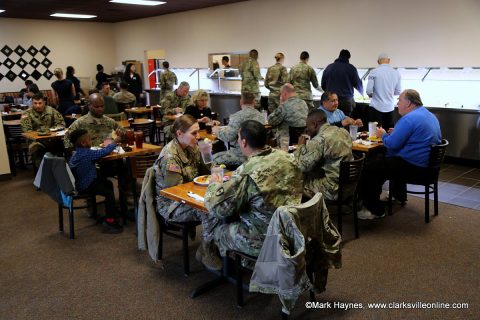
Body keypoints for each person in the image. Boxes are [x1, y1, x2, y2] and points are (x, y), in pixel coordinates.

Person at [198, 120, 304, 270]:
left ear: (243, 142)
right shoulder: (288, 158)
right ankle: (250, 264)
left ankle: (236, 267)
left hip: (265, 239)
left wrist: (214, 184)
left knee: (219, 230)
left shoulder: (246, 171)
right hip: (292, 229)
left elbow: (218, 208)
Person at [357, 89, 442, 219]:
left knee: (370, 167)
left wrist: (383, 134)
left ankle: (374, 210)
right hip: (428, 166)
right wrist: (397, 132)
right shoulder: (428, 115)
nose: (397, 103)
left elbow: (392, 144)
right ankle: (398, 195)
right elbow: (414, 136)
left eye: (399, 100)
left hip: (414, 168)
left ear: (408, 103)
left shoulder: (409, 119)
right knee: (387, 161)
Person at [153, 115, 217, 266]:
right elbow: (175, 192)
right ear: (179, 134)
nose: (198, 136)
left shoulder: (191, 147)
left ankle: (216, 246)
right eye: (194, 133)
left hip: (189, 196)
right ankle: (206, 251)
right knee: (211, 210)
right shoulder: (171, 157)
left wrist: (206, 153)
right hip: (171, 205)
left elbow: (205, 173)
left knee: (222, 204)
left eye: (198, 132)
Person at [68, 129, 123, 234]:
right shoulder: (86, 154)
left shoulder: (77, 153)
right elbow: (103, 152)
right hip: (86, 185)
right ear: (83, 143)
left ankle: (111, 212)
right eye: (89, 139)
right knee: (109, 193)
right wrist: (115, 142)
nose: (91, 141)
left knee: (108, 183)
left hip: (80, 183)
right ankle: (110, 222)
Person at [294, 109, 353, 200]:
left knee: (295, 182)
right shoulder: (343, 132)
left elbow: (302, 166)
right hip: (349, 185)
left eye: (307, 126)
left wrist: (300, 147)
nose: (307, 130)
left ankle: (307, 212)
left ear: (314, 124)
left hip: (331, 189)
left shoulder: (319, 140)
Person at [212, 92, 265, 167]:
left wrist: (216, 130)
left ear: (241, 102)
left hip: (240, 155)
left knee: (213, 158)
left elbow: (228, 137)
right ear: (254, 102)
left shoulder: (237, 116)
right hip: (258, 154)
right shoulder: (261, 116)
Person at [20, 92, 65, 167]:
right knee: (37, 149)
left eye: (40, 103)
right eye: (35, 103)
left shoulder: (52, 111)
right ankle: (42, 171)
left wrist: (53, 132)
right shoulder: (26, 113)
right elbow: (27, 131)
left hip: (52, 139)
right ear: (32, 103)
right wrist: (43, 134)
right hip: (35, 141)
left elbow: (61, 124)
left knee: (61, 145)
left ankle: (59, 168)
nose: (37, 105)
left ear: (44, 102)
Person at [321, 49, 363, 115]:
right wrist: (362, 94)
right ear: (348, 58)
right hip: (346, 101)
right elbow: (358, 85)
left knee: (331, 120)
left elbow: (323, 85)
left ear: (339, 56)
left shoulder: (329, 67)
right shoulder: (351, 68)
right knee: (345, 121)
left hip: (331, 100)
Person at [366, 53, 402, 130]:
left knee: (374, 134)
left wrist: (372, 95)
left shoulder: (373, 72)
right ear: (389, 61)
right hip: (390, 108)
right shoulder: (396, 73)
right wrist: (389, 92)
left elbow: (369, 90)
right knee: (389, 133)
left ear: (378, 62)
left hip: (376, 107)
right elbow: (398, 91)